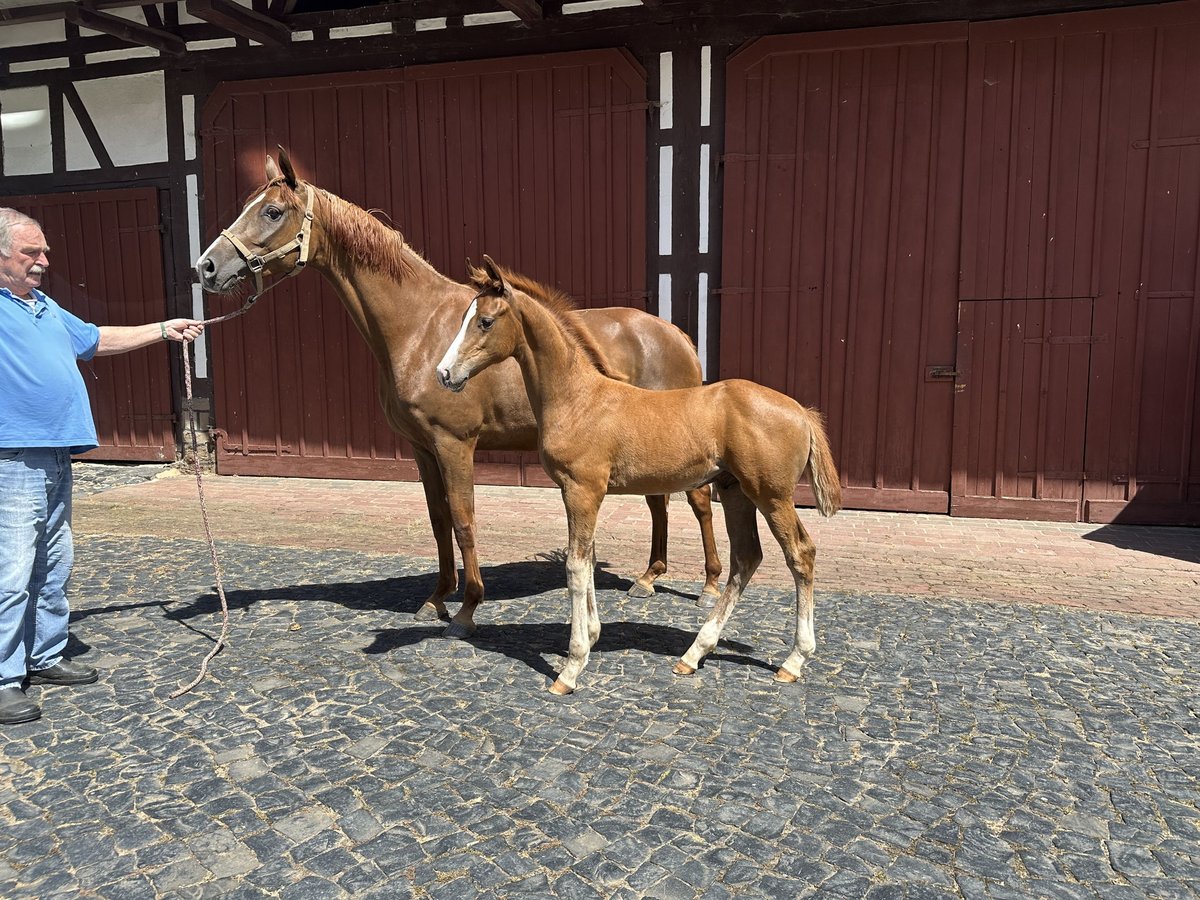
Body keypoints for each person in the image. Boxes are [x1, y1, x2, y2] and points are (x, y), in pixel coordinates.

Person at [0, 207, 204, 726]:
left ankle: (43, 655)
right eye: (31, 252)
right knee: (12, 570)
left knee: (53, 562)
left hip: (54, 453)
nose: (45, 261)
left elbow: (95, 340)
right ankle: (3, 677)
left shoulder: (42, 306)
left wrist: (163, 329)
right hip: (11, 456)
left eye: (44, 250)